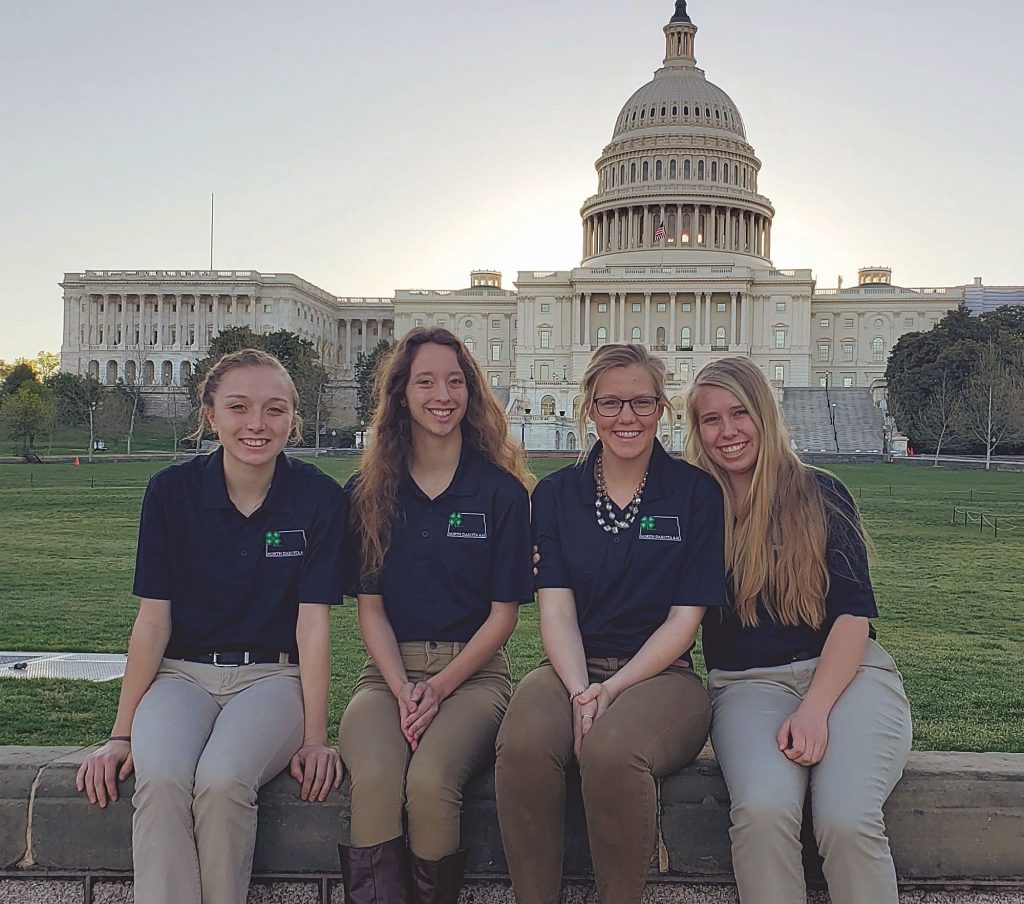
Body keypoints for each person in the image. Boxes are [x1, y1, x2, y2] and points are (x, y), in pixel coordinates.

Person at [75, 348, 346, 904]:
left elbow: (313, 626)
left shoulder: (317, 497)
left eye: (274, 410)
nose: (257, 424)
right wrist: (120, 734)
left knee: (223, 782)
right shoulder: (171, 493)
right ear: (210, 414)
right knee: (163, 778)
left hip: (272, 679)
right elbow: (152, 622)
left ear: (292, 419)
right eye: (239, 407)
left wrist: (316, 737)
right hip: (181, 677)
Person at [495, 343, 726, 904]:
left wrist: (611, 691)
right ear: (590, 409)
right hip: (571, 667)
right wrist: (580, 692)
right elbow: (556, 609)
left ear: (663, 407)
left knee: (610, 751)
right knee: (523, 744)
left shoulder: (695, 493)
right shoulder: (555, 494)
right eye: (612, 404)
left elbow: (684, 623)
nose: (628, 418)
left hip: (663, 676)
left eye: (642, 403)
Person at [684, 356, 912, 904]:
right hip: (746, 686)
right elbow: (635, 581)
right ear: (696, 430)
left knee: (847, 818)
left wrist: (814, 708)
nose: (727, 432)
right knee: (761, 812)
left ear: (765, 413)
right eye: (710, 420)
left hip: (848, 676)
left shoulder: (820, 492)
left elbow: (853, 618)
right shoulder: (693, 507)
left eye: (740, 413)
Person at [338, 327, 533, 904]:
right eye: (425, 381)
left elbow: (503, 617)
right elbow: (369, 610)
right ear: (401, 394)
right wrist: (402, 688)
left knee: (429, 782)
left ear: (471, 393)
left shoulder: (500, 493)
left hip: (473, 678)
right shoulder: (369, 490)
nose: (441, 395)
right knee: (373, 780)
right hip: (387, 676)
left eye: (455, 381)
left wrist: (439, 688)